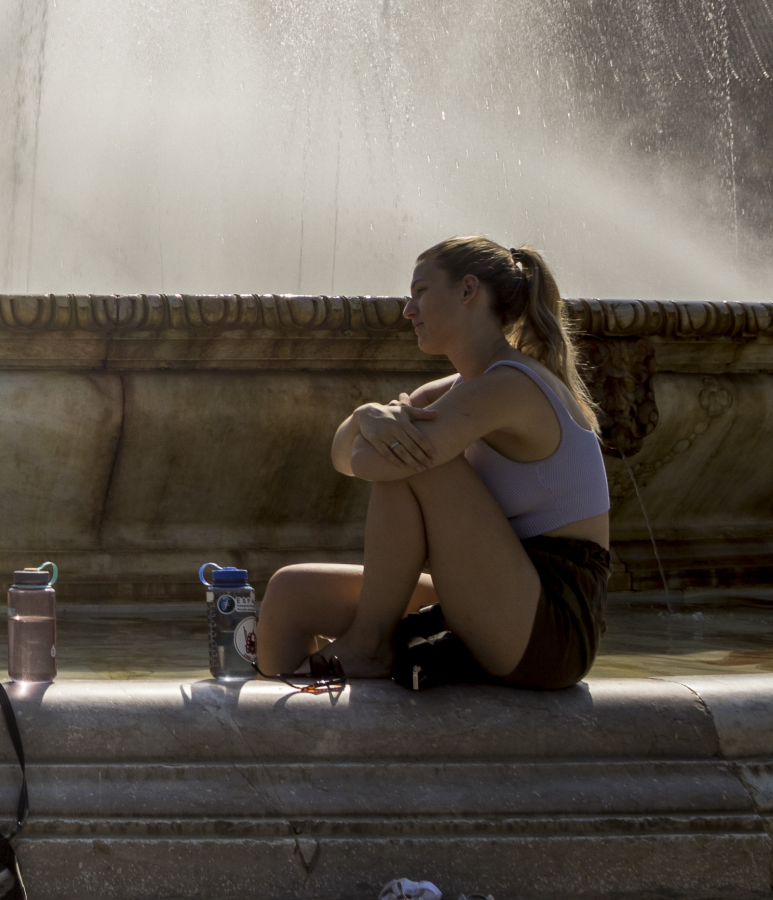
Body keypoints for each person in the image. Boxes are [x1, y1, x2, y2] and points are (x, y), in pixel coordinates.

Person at [256, 237, 612, 691]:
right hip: (496, 589)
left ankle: (367, 646)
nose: (408, 309)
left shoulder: (509, 385)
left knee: (418, 460)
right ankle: (296, 748)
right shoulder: (459, 388)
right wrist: (366, 415)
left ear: (468, 291)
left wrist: (371, 431)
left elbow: (376, 462)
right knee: (290, 594)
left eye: (421, 291)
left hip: (552, 627)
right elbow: (343, 457)